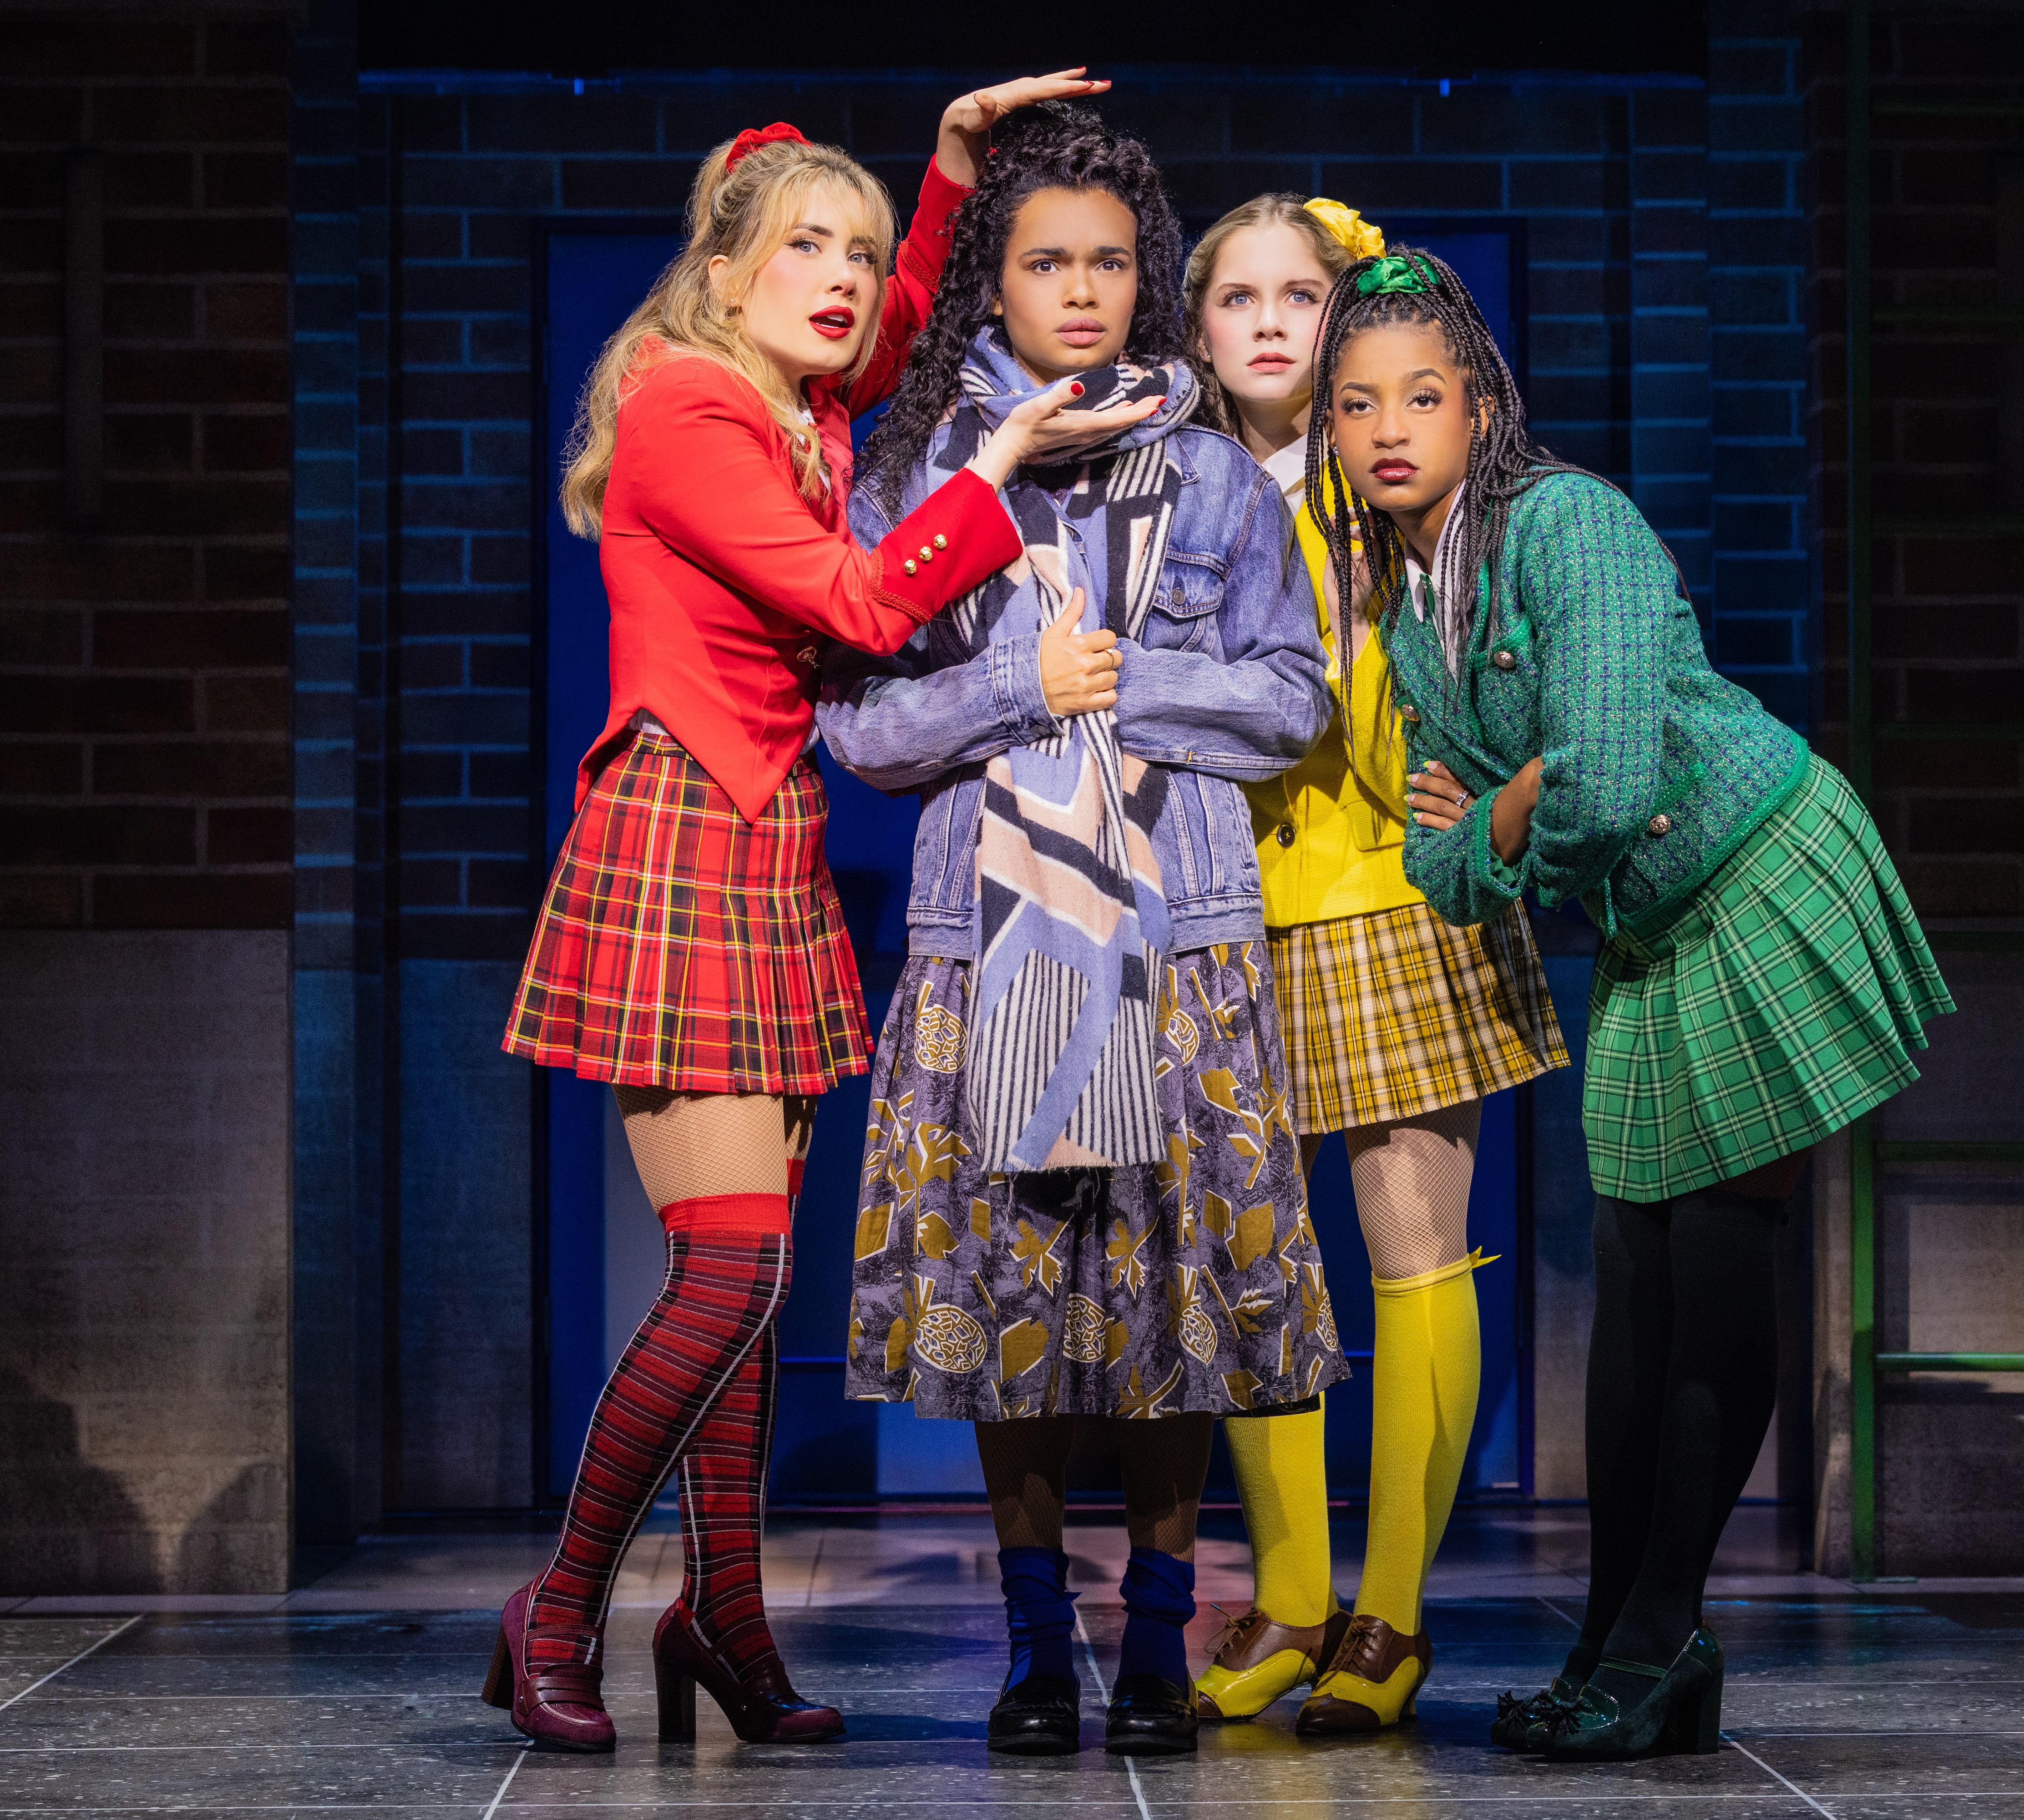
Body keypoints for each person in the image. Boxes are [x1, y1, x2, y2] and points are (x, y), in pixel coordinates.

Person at [488, 73, 1155, 1754]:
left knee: (753, 1292)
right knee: (727, 1278)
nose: (848, 280)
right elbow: (861, 601)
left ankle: (723, 1618)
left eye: (856, 251)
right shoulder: (689, 410)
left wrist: (945, 171)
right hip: (680, 833)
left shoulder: (790, 397)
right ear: (724, 272)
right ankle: (559, 1604)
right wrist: (997, 459)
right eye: (807, 247)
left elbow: (900, 313)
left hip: (767, 839)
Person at [1306, 245, 1953, 1761]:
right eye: (1356, 405)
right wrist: (1507, 810)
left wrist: (1507, 813)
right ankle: (1616, 1636)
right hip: (1650, 937)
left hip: (1757, 877)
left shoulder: (1567, 525)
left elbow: (1596, 786)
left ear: (1479, 409)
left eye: (1420, 397)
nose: (1389, 429)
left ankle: (1664, 1638)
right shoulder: (1410, 599)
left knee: (1717, 1265)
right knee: (1631, 1290)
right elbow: (1441, 863)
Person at [822, 103, 1344, 1760]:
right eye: (1049, 261)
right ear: (997, 279)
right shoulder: (919, 470)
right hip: (990, 934)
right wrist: (1014, 686)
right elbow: (860, 724)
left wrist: (1124, 681)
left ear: (1145, 280)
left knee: (1173, 1307)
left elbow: (1294, 701)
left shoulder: (1211, 472)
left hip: (1179, 929)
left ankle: (1161, 1644)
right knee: (1019, 1304)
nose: (1083, 291)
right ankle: (1040, 1647)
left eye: (1112, 263)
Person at [1179, 197, 1569, 1734]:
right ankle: (1289, 1597)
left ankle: (1391, 1615)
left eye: (1304, 294)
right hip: (1224, 906)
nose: (1273, 322)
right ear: (1198, 326)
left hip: (1396, 890)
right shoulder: (1175, 478)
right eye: (1240, 297)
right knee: (1253, 1266)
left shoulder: (1401, 469)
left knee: (1415, 1255)